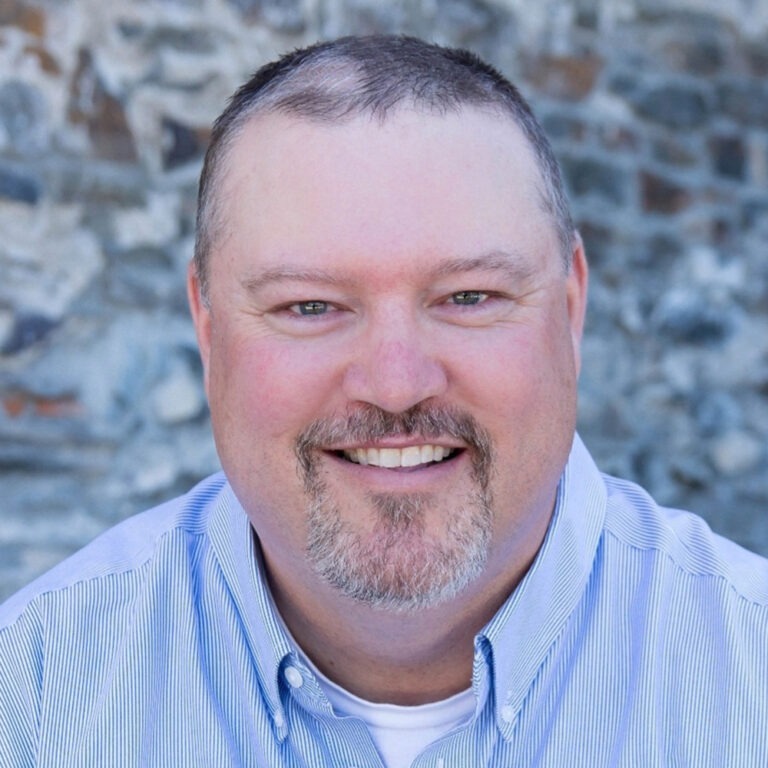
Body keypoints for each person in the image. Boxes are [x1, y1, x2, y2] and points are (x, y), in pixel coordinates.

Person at [1, 34, 766, 768]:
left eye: (469, 296)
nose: (397, 384)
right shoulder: (33, 697)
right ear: (207, 327)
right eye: (309, 306)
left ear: (570, 308)